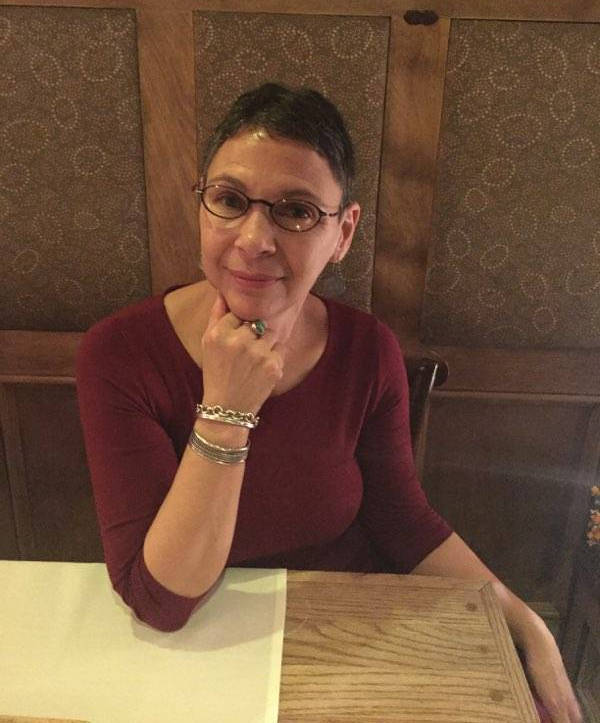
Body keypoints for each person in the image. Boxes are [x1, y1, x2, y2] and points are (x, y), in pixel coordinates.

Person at [76, 83, 581, 723]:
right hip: (197, 654)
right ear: (201, 206)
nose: (254, 239)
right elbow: (162, 601)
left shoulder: (367, 349)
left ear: (344, 232)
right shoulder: (119, 353)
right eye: (229, 200)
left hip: (352, 634)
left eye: (296, 211)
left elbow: (403, 520)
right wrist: (227, 409)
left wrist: (522, 620)